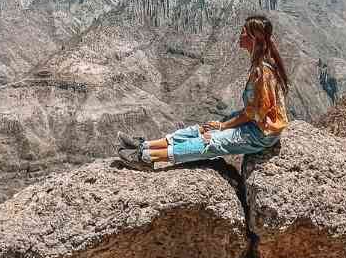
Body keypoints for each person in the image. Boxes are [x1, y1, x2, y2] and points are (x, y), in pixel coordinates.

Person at [118, 14, 288, 170]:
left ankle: (147, 158)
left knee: (209, 141)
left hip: (261, 133)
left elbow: (255, 113)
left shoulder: (263, 72)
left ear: (254, 38)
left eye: (243, 32)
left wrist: (223, 126)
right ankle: (146, 145)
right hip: (254, 123)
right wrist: (221, 126)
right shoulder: (259, 65)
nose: (240, 35)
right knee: (203, 129)